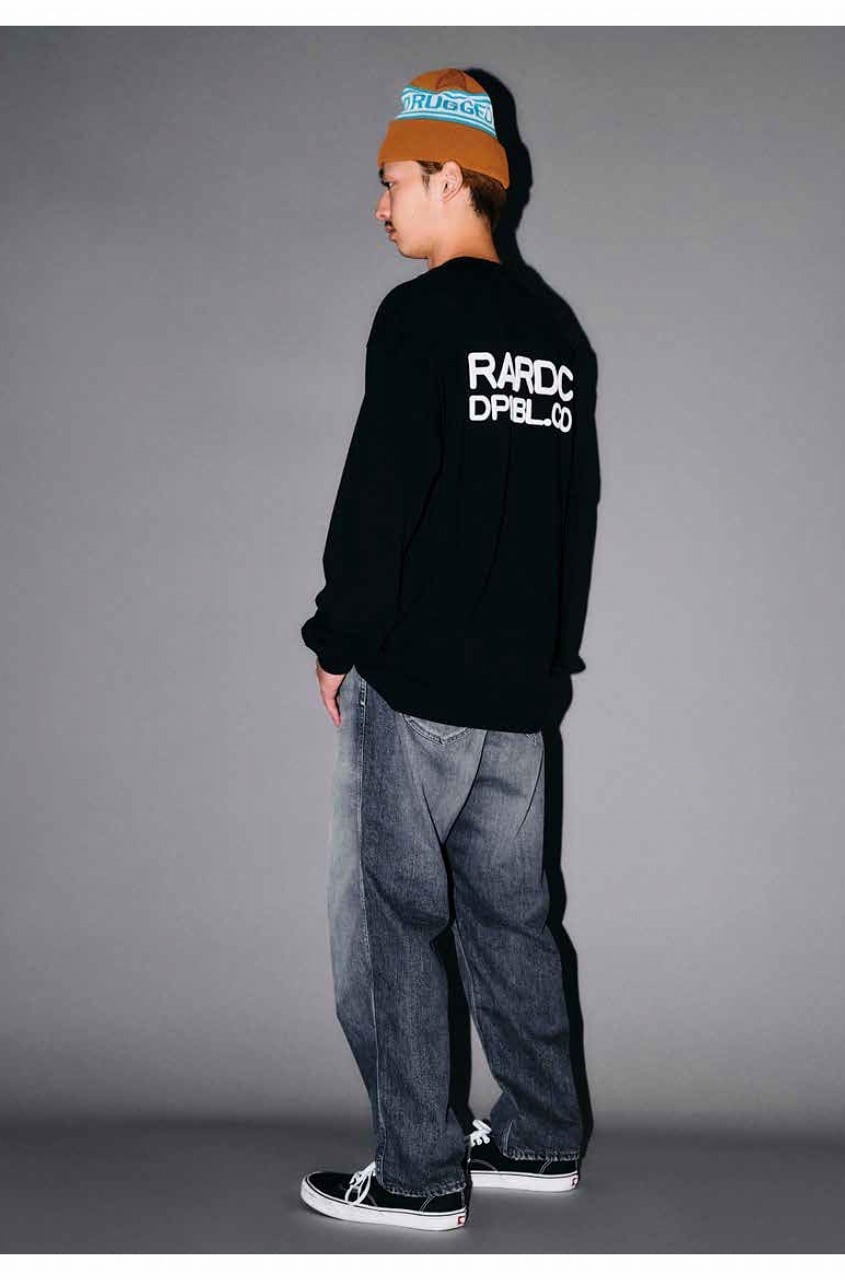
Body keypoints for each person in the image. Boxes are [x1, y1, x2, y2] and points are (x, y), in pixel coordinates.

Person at [298, 66, 600, 1232]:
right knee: (511, 917)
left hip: (417, 677)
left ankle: (418, 1171)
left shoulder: (418, 317)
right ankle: (536, 1132)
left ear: (450, 177)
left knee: (388, 920)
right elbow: (573, 512)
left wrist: (337, 637)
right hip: (518, 692)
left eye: (392, 182)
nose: (379, 206)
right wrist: (546, 661)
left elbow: (380, 492)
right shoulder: (555, 334)